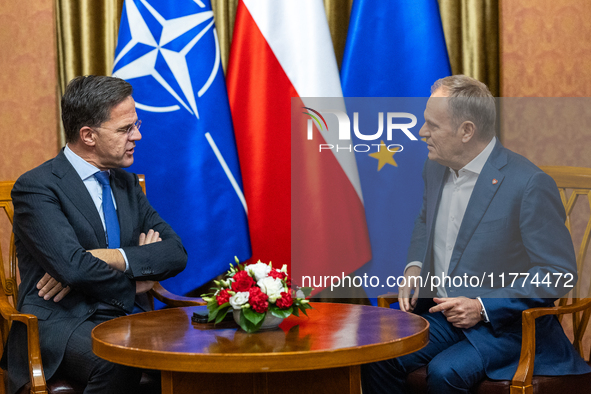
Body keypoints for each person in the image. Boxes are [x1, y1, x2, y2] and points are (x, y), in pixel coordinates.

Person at [361, 75, 590, 393]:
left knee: (445, 372)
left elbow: (558, 274)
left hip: (507, 326)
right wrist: (415, 266)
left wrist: (482, 305)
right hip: (443, 313)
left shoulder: (528, 184)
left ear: (466, 131)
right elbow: (425, 220)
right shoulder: (435, 167)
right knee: (378, 355)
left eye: (433, 125)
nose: (422, 133)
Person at [2, 75, 188, 394]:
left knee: (194, 355)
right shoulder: (38, 187)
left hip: (127, 319)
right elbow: (72, 268)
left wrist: (109, 258)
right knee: (116, 359)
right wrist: (135, 278)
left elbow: (175, 254)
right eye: (125, 128)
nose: (138, 135)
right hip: (61, 321)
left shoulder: (127, 185)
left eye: (136, 124)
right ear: (88, 135)